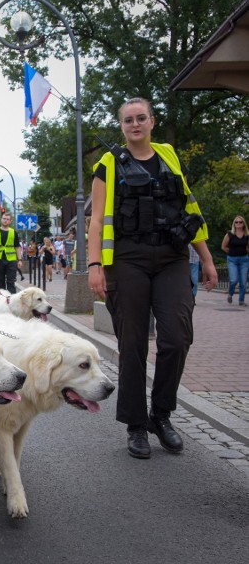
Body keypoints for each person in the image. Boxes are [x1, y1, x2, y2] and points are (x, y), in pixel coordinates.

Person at [87, 97, 217, 460]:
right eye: (128, 120)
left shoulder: (169, 156)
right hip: (127, 259)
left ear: (152, 121)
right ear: (122, 126)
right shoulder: (108, 165)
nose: (135, 124)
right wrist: (95, 266)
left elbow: (190, 208)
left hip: (173, 257)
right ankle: (136, 425)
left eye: (141, 118)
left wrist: (206, 258)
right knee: (133, 343)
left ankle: (161, 415)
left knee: (176, 338)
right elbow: (96, 221)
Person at [0, 213, 22, 292]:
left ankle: (12, 302)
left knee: (11, 282)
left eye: (7, 219)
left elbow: (17, 246)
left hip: (11, 260)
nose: (5, 220)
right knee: (0, 283)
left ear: (10, 221)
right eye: (4, 218)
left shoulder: (13, 232)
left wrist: (19, 260)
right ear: (1, 219)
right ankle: (2, 301)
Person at [221, 215, 248, 306]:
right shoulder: (229, 234)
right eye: (236, 222)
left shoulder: (247, 235)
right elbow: (223, 247)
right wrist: (231, 251)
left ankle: (241, 300)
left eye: (240, 222)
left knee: (243, 282)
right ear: (234, 224)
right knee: (233, 280)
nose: (238, 224)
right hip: (232, 259)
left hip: (244, 259)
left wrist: (244, 251)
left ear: (244, 224)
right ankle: (230, 293)